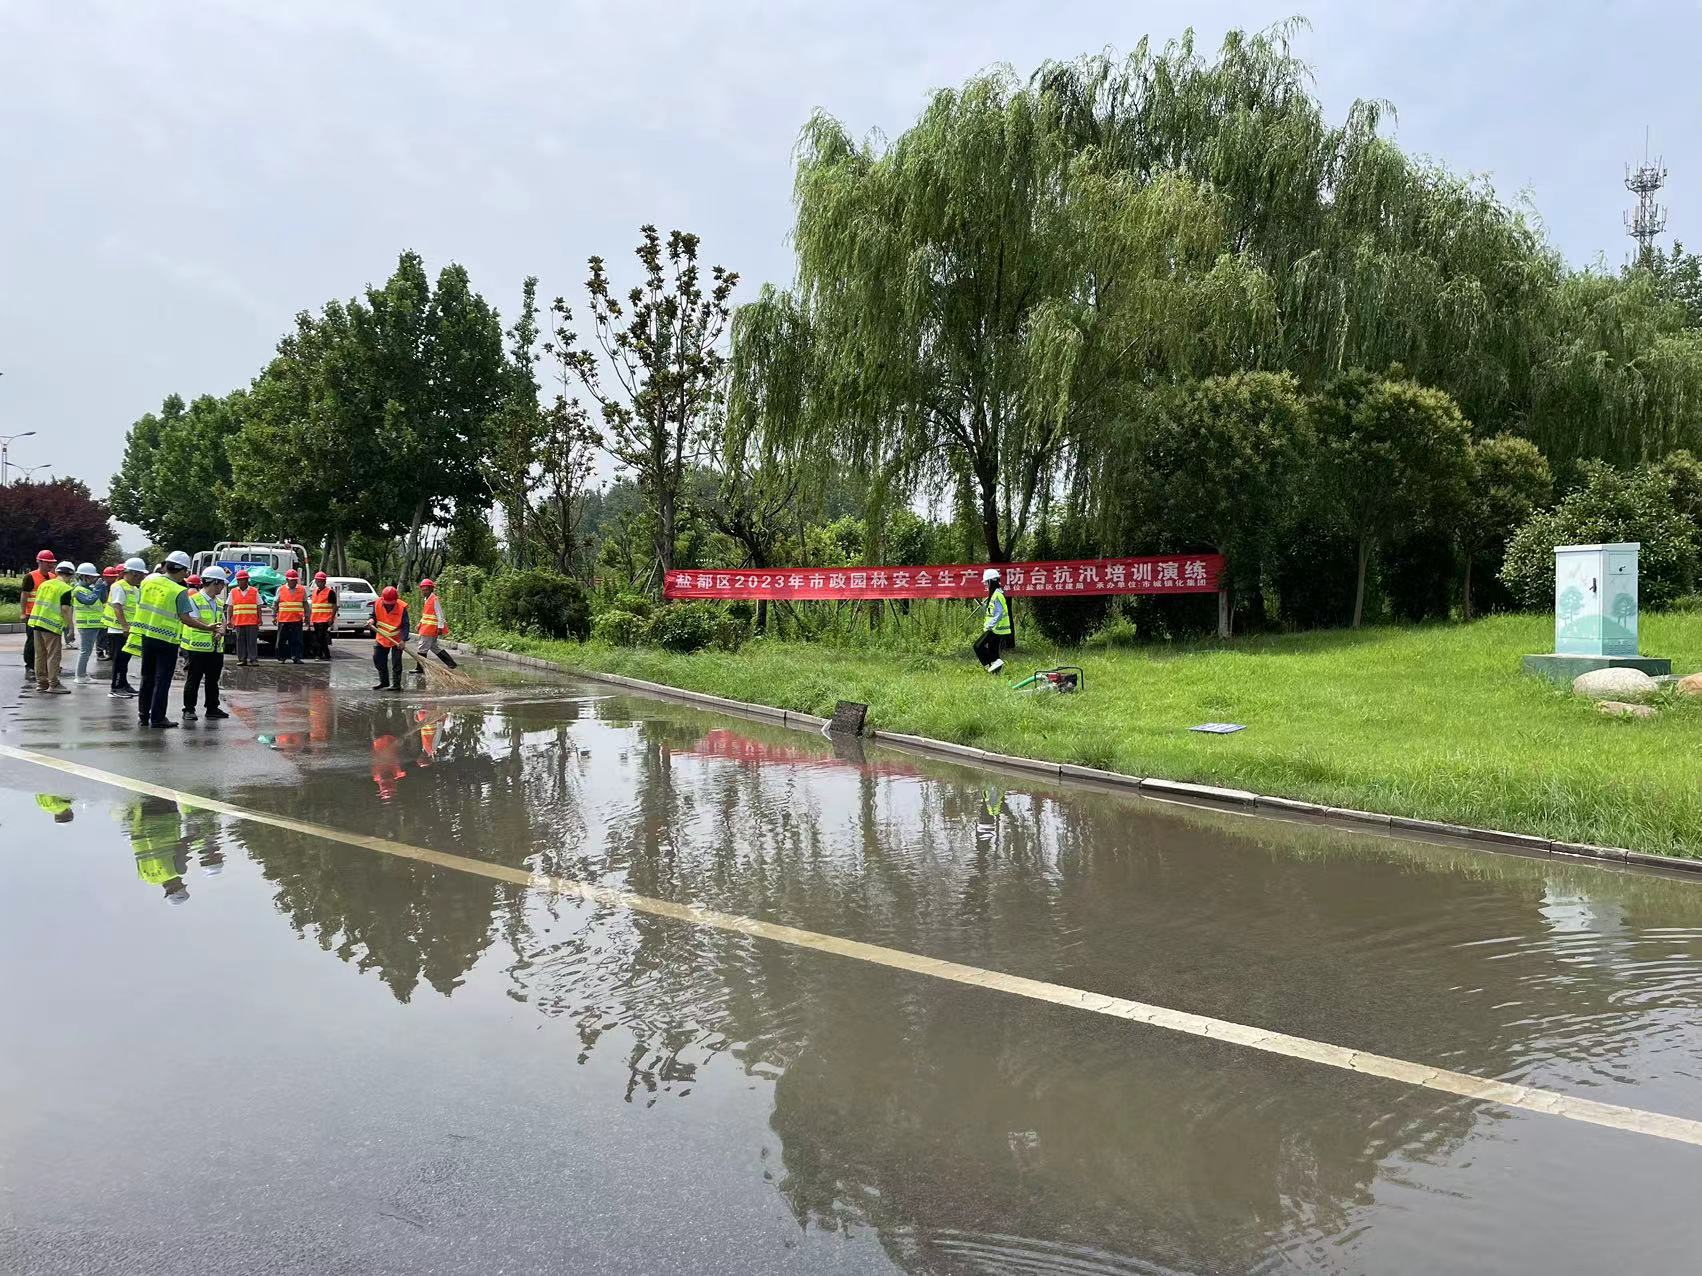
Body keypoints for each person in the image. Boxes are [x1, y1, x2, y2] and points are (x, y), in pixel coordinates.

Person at [134, 551, 217, 730]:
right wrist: (208, 627)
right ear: (182, 570)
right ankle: (158, 718)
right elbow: (186, 618)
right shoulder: (178, 591)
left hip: (146, 635)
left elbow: (139, 603)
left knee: (147, 678)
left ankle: (143, 715)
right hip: (166, 640)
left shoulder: (147, 582)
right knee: (162, 680)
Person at [180, 566, 230, 722]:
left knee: (213, 680)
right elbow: (193, 620)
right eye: (222, 584)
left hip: (215, 647)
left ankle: (212, 707)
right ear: (215, 583)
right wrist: (212, 629)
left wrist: (221, 630)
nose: (222, 587)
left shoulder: (218, 602)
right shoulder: (194, 600)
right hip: (196, 647)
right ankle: (189, 709)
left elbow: (222, 619)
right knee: (194, 679)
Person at [26, 560, 77, 694]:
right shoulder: (66, 589)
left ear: (57, 572)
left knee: (40, 655)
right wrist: (71, 628)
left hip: (37, 623)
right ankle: (53, 684)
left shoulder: (44, 584)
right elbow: (65, 609)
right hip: (51, 626)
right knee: (53, 656)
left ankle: (41, 683)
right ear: (71, 575)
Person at [105, 557, 147, 698]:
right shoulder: (119, 586)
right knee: (120, 660)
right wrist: (125, 626)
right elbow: (117, 607)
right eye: (139, 575)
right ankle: (116, 687)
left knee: (125, 660)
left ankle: (123, 684)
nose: (140, 578)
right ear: (133, 573)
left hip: (127, 629)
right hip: (118, 630)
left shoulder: (133, 588)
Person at [20, 548, 55, 684]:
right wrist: (23, 613)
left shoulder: (53, 577)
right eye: (47, 562)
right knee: (32, 642)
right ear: (39, 562)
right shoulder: (30, 576)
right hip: (32, 615)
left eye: (51, 562)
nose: (50, 565)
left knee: (45, 643)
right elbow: (24, 595)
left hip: (47, 615)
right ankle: (30, 666)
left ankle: (43, 666)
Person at [413, 577, 458, 672]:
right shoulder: (427, 599)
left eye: (426, 590)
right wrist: (420, 623)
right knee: (434, 647)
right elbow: (426, 614)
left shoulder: (434, 599)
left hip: (430, 628)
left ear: (431, 589)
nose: (424, 592)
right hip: (427, 627)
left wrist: (440, 627)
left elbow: (439, 614)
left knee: (422, 647)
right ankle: (451, 663)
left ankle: (420, 668)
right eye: (422, 590)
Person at [974, 567, 1013, 674]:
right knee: (993, 652)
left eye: (986, 582)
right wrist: (983, 607)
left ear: (991, 581)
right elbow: (992, 611)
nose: (985, 584)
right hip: (996, 628)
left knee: (978, 646)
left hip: (995, 628)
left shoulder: (997, 595)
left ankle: (989, 665)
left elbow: (999, 613)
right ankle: (995, 672)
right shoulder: (995, 594)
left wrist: (990, 625)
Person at [371, 585, 409, 691]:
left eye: (391, 603)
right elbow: (373, 615)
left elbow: (405, 625)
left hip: (397, 638)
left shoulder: (402, 607)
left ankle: (396, 684)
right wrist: (371, 620)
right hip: (382, 636)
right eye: (387, 603)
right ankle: (384, 682)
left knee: (396, 662)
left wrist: (403, 640)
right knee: (378, 658)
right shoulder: (377, 603)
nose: (389, 605)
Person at [71, 563, 104, 683]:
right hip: (86, 625)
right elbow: (89, 601)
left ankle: (82, 674)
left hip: (92, 624)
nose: (93, 579)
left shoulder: (88, 589)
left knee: (87, 651)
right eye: (91, 577)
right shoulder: (78, 590)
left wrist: (99, 589)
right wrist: (98, 589)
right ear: (83, 576)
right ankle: (80, 676)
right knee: (85, 651)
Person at [226, 569, 261, 665]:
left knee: (252, 642)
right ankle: (242, 659)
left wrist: (260, 618)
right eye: (239, 580)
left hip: (252, 622)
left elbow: (259, 606)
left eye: (243, 580)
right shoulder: (233, 592)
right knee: (240, 642)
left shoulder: (254, 591)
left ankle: (253, 659)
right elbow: (230, 607)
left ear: (247, 580)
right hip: (239, 621)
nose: (240, 582)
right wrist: (229, 620)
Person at [274, 569, 306, 664]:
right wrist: (274, 616)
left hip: (297, 619)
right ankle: (281, 657)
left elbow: (305, 604)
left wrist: (307, 616)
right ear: (287, 580)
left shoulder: (301, 590)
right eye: (291, 580)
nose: (293, 582)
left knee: (297, 640)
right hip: (284, 619)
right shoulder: (281, 589)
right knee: (281, 640)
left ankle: (296, 657)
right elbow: (275, 603)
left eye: (295, 580)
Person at [308, 571, 337, 660]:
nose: (319, 583)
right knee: (320, 638)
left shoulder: (330, 592)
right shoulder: (314, 591)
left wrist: (331, 618)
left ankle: (319, 654)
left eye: (321, 581)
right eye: (317, 581)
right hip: (316, 619)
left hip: (325, 619)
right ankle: (326, 655)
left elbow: (334, 606)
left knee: (320, 637)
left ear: (324, 582)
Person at [95, 566, 121, 661]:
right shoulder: (101, 586)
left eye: (114, 577)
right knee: (102, 634)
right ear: (105, 577)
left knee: (110, 635)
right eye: (110, 577)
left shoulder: (116, 586)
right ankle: (100, 652)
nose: (112, 579)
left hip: (112, 615)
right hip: (102, 614)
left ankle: (109, 651)